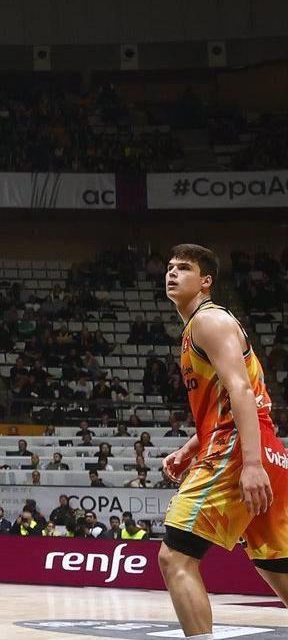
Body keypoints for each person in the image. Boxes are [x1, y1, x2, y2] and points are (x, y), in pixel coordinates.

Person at [157, 244, 288, 639]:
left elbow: (242, 392)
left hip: (239, 451)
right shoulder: (203, 326)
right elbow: (233, 400)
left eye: (184, 268)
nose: (173, 273)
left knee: (175, 557)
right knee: (278, 568)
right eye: (170, 267)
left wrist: (249, 465)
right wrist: (191, 446)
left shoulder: (208, 321)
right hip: (266, 449)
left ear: (206, 281)